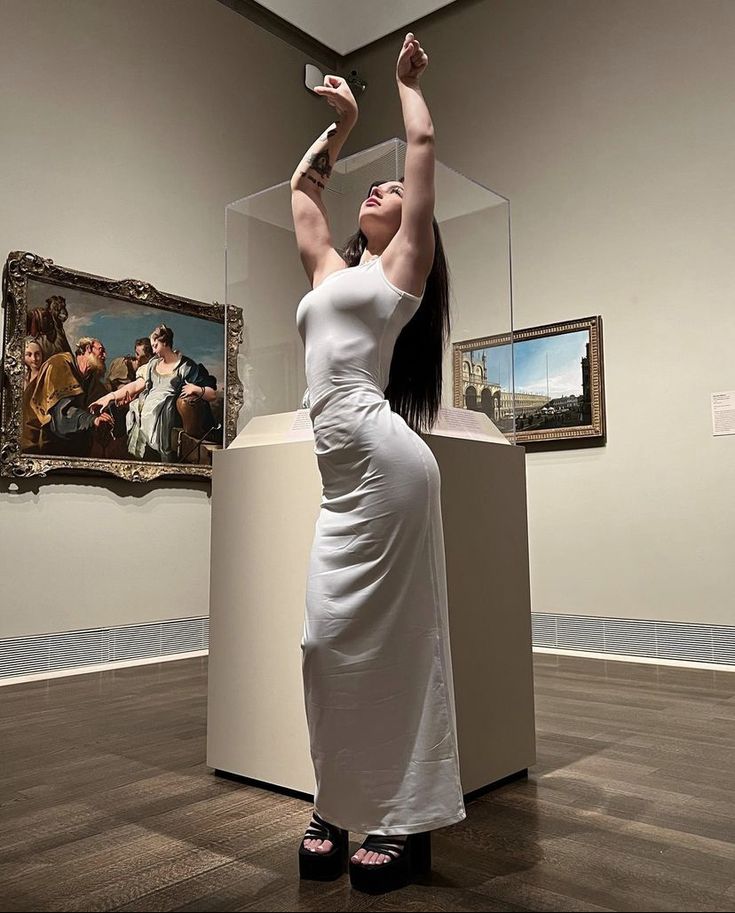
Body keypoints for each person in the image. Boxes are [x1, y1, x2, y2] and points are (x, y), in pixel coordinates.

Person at [291, 33, 465, 895]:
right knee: (324, 643)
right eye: (375, 180)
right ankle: (335, 796)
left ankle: (401, 817)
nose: (381, 186)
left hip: (390, 469)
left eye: (392, 188)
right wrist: (343, 124)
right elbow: (300, 191)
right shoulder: (326, 270)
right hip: (338, 485)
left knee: (398, 646)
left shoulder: (403, 270)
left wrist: (401, 90)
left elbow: (425, 149)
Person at [90, 323, 217, 463]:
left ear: (165, 343)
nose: (154, 351)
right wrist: (110, 397)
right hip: (147, 412)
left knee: (159, 413)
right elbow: (137, 385)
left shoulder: (186, 366)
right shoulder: (153, 365)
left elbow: (212, 395)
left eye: (156, 346)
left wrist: (196, 389)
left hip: (168, 414)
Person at [23, 337, 113, 455]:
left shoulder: (89, 378)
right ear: (88, 349)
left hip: (61, 442)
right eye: (101, 350)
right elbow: (62, 416)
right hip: (36, 443)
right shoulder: (60, 364)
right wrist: (93, 420)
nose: (105, 355)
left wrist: (101, 416)